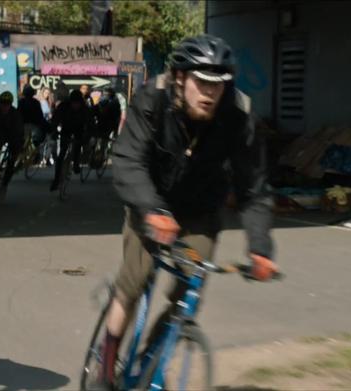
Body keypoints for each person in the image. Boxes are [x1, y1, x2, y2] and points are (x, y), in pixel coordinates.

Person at [98, 34, 279, 386]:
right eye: (201, 82)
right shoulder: (152, 98)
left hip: (200, 212)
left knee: (188, 295)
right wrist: (152, 210)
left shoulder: (238, 116)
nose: (210, 93)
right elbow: (128, 161)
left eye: (219, 85)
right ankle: (106, 364)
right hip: (148, 203)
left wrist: (260, 247)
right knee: (134, 282)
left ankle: (153, 362)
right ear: (180, 78)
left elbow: (253, 188)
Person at [49, 89, 92, 191]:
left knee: (78, 145)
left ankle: (76, 163)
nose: (75, 105)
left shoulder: (85, 109)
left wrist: (87, 136)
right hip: (66, 130)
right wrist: (54, 132)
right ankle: (56, 180)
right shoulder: (63, 106)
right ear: (70, 101)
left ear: (81, 103)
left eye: (77, 103)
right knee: (61, 156)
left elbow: (90, 125)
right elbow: (55, 120)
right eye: (73, 103)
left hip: (79, 131)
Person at [0, 91, 24, 198]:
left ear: (10, 104)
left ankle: (4, 185)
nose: (4, 107)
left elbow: (19, 131)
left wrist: (17, 144)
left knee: (11, 160)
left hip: (11, 135)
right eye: (2, 104)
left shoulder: (15, 114)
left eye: (7, 105)